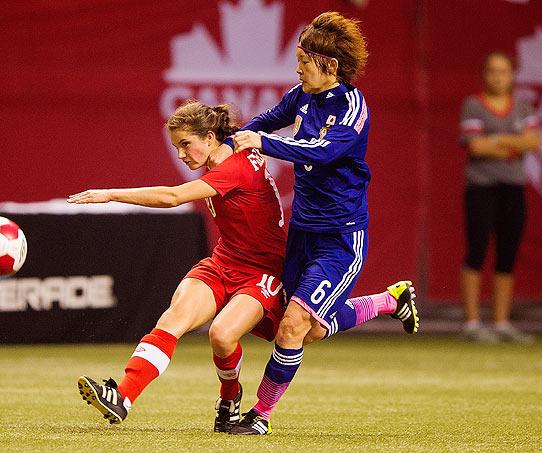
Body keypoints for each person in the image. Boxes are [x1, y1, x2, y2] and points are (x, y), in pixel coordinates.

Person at [68, 100, 413, 432]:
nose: (181, 154)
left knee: (290, 331)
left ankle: (388, 300)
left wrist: (110, 194)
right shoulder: (225, 149)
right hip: (223, 261)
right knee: (173, 319)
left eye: (186, 145)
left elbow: (172, 198)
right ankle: (124, 397)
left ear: (208, 138)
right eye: (177, 147)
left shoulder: (235, 166)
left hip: (263, 273)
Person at [205, 11, 421, 435]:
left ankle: (260, 418)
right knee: (309, 329)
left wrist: (263, 143)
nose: (298, 67)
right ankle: (390, 301)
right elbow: (264, 121)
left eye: (304, 60)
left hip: (340, 238)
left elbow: (320, 150)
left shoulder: (352, 107)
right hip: (303, 230)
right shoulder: (301, 95)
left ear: (329, 66)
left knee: (294, 324)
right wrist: (231, 142)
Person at [459, 51, 540, 343]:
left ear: (512, 75)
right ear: (485, 74)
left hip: (513, 188)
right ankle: (471, 322)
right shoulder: (473, 105)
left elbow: (533, 141)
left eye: (504, 71)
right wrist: (512, 144)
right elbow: (476, 147)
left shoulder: (522, 105)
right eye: (492, 71)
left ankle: (501, 321)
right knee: (477, 250)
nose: (498, 76)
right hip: (481, 188)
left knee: (507, 254)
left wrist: (497, 139)